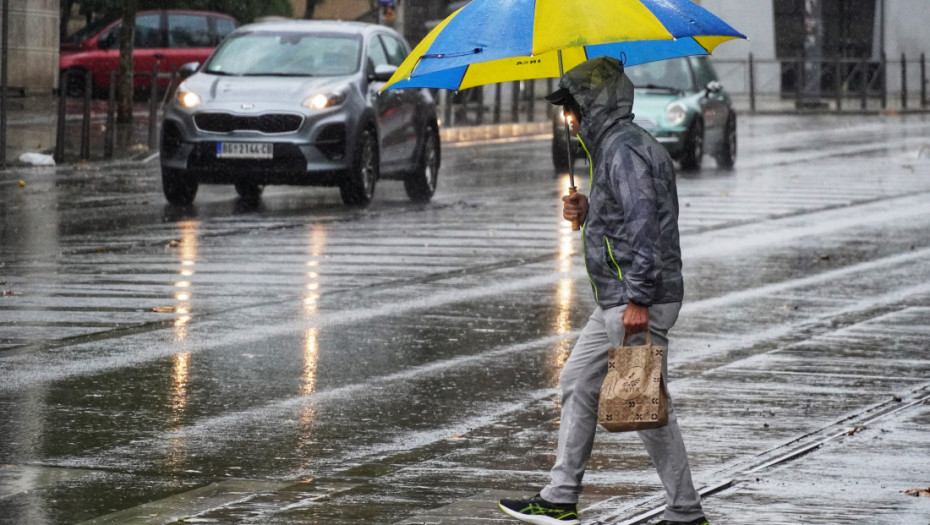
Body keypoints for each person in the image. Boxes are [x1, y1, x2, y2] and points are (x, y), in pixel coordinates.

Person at [498, 56, 707, 525]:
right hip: (618, 297)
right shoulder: (614, 147)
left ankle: (686, 512)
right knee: (579, 381)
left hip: (635, 298)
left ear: (592, 105)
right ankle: (560, 497)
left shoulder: (623, 150)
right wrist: (587, 209)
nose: (568, 118)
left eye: (572, 107)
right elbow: (624, 215)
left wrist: (638, 299)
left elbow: (644, 227)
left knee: (644, 407)